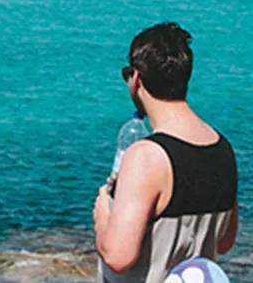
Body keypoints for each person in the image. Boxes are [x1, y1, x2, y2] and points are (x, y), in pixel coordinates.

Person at [94, 22, 237, 283]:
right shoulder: (223, 149)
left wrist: (102, 214)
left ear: (136, 79)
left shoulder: (147, 157)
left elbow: (118, 257)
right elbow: (224, 241)